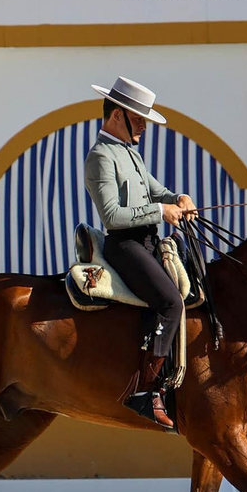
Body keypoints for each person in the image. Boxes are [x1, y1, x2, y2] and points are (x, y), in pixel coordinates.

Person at [84, 76, 197, 430]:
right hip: (125, 245)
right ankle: (146, 391)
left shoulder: (130, 152)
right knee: (171, 302)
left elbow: (155, 190)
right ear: (117, 115)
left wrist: (178, 198)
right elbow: (112, 216)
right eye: (139, 118)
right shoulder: (101, 157)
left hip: (147, 241)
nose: (145, 126)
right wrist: (161, 212)